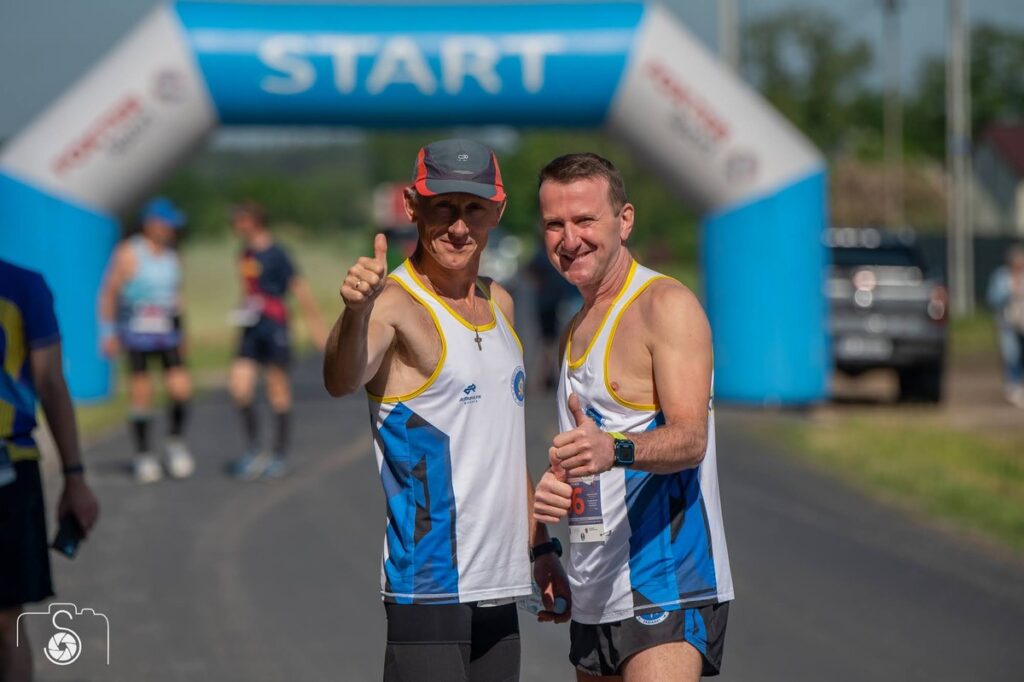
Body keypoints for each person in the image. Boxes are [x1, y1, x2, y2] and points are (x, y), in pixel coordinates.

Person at [323, 138, 571, 681]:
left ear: (498, 212)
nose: (460, 227)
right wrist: (354, 314)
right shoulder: (394, 303)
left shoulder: (501, 303)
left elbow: (501, 450)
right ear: (412, 206)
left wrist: (541, 549)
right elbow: (341, 379)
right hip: (430, 583)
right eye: (444, 207)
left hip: (503, 583)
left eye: (475, 209)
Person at [532, 153, 734, 681]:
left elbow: (691, 439)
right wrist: (545, 529)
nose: (569, 238)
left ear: (624, 220)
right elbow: (585, 453)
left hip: (664, 580)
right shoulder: (574, 328)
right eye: (555, 224)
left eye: (584, 220)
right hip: (595, 590)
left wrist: (615, 450)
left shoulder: (664, 305)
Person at [0, 259, 100, 682]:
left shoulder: (21, 285)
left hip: (9, 469)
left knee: (5, 621)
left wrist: (74, 477)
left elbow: (51, 383)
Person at [227, 201, 328, 480]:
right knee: (239, 387)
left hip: (275, 325)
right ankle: (254, 450)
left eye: (240, 219)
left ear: (254, 221)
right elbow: (246, 290)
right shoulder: (244, 253)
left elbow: (300, 288)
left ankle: (279, 453)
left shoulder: (278, 253)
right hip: (251, 327)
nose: (236, 225)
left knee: (277, 389)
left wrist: (316, 327)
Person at [99, 197, 194, 484]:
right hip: (137, 331)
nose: (171, 230)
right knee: (142, 393)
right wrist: (108, 332)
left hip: (166, 331)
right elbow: (108, 293)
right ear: (151, 223)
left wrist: (183, 333)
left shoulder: (172, 255)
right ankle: (143, 454)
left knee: (180, 388)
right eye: (167, 224)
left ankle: (174, 443)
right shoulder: (128, 252)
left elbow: (177, 297)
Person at [986, 244, 1024, 408]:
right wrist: (1010, 292)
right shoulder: (1001, 276)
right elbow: (993, 299)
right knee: (1011, 355)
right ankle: (1013, 386)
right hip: (1007, 323)